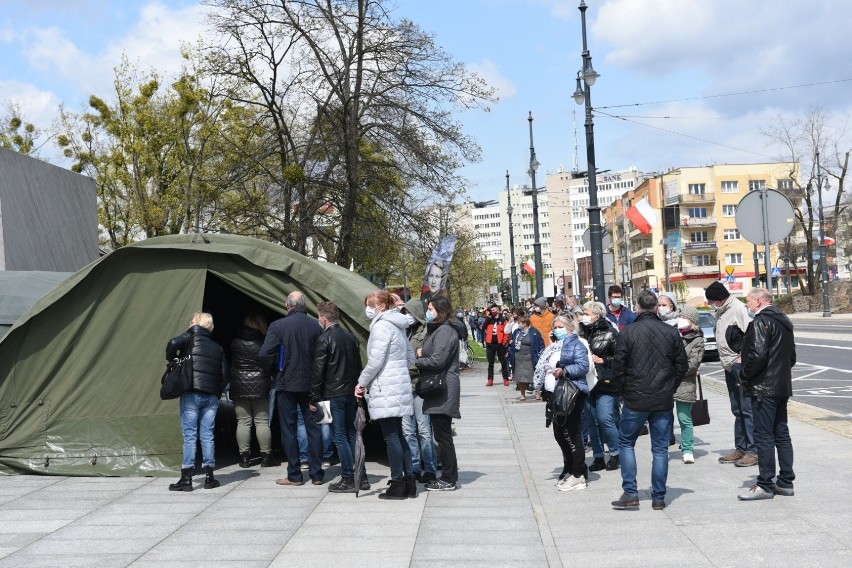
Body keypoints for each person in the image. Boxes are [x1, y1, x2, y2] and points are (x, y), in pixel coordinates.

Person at [610, 291, 688, 511]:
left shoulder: (628, 333)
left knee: (626, 443)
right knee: (660, 449)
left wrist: (623, 391)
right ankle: (659, 497)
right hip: (662, 399)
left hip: (635, 398)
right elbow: (682, 365)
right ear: (656, 308)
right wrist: (669, 386)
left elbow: (618, 367)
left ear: (637, 308)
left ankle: (631, 493)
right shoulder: (670, 332)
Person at [259, 291, 324, 487]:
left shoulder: (278, 326)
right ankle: (317, 474)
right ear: (305, 305)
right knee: (315, 428)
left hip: (286, 383)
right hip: (313, 384)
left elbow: (264, 354)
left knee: (289, 429)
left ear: (288, 306)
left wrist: (271, 372)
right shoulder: (317, 326)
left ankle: (294, 475)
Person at [737, 288, 796, 501]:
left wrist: (744, 375)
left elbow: (757, 355)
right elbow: (792, 357)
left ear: (760, 301)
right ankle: (786, 482)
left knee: (763, 436)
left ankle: (765, 484)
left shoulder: (761, 322)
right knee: (781, 433)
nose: (747, 305)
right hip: (781, 387)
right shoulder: (784, 321)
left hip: (763, 388)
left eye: (749, 301)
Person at [355, 290, 415, 500]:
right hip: (398, 384)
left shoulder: (381, 326)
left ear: (380, 307)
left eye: (370, 306)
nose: (368, 310)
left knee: (391, 437)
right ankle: (410, 480)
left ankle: (397, 482)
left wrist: (362, 382)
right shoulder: (398, 325)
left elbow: (375, 361)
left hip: (386, 386)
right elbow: (410, 356)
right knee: (399, 435)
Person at [167, 312, 227, 492]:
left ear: (197, 324)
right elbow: (224, 375)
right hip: (210, 396)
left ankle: (186, 478)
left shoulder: (189, 338)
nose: (190, 323)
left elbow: (172, 343)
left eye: (192, 321)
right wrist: (216, 392)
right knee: (207, 435)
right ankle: (210, 477)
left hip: (191, 393)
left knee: (190, 436)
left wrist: (171, 358)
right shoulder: (218, 347)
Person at [309, 301, 365, 494]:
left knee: (338, 436)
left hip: (331, 393)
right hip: (350, 391)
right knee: (351, 434)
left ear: (323, 318)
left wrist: (313, 397)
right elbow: (358, 366)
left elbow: (318, 371)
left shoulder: (324, 339)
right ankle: (361, 476)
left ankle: (349, 476)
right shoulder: (351, 337)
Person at [705, 281, 757, 467]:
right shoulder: (722, 311)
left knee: (746, 409)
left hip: (739, 365)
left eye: (711, 301)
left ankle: (753, 450)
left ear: (719, 299)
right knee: (737, 409)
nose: (710, 304)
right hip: (729, 365)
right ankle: (741, 447)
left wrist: (742, 358)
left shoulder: (738, 309)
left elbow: (751, 334)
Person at [416, 296, 463, 491]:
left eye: (430, 308)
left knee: (443, 436)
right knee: (442, 435)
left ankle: (449, 478)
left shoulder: (444, 330)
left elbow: (438, 360)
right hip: (440, 387)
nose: (428, 311)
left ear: (439, 310)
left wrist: (418, 359)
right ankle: (448, 476)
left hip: (444, 388)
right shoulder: (441, 329)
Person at [549, 313, 591, 491]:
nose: (557, 330)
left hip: (572, 392)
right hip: (558, 392)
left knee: (571, 433)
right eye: (555, 327)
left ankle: (578, 473)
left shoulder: (577, 344)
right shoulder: (558, 344)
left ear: (570, 327)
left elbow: (583, 366)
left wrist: (564, 370)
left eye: (560, 327)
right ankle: (570, 467)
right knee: (559, 432)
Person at [579, 301, 622, 472]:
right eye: (584, 313)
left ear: (597, 315)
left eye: (587, 313)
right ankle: (598, 457)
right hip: (587, 383)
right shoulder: (581, 333)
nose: (584, 316)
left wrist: (603, 360)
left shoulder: (610, 333)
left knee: (605, 418)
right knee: (591, 421)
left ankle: (615, 453)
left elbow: (620, 358)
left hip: (606, 382)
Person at [228, 313, 274, 469]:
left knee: (243, 422)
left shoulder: (235, 342)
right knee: (262, 422)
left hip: (240, 384)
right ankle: (266, 456)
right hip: (261, 384)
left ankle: (245, 457)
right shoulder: (265, 341)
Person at [401, 298, 439, 485]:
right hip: (404, 385)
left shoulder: (426, 331)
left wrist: (411, 365)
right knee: (408, 431)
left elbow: (426, 357)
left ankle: (430, 468)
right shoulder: (402, 330)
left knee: (424, 430)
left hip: (420, 384)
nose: (406, 316)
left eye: (409, 312)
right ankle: (414, 467)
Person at [673, 305, 705, 465]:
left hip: (685, 384)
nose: (680, 320)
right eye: (680, 317)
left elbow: (693, 363)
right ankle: (660, 448)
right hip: (668, 383)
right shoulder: (673, 335)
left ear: (692, 322)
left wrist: (674, 369)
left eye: (684, 317)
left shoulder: (698, 340)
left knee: (684, 418)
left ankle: (687, 449)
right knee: (663, 419)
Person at [509, 315, 545, 401]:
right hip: (519, 357)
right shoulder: (517, 332)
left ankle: (537, 393)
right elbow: (512, 340)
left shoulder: (534, 332)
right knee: (521, 376)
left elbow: (540, 344)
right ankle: (522, 394)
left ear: (525, 323)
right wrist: (511, 342)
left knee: (534, 376)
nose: (518, 325)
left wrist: (540, 355)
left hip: (530, 357)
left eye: (520, 323)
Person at [483, 305, 510, 387]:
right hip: (490, 344)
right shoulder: (489, 319)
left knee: (503, 362)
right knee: (490, 363)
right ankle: (490, 379)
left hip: (500, 344)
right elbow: (483, 327)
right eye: (491, 310)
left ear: (498, 311)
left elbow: (506, 332)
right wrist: (487, 318)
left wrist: (504, 342)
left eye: (494, 310)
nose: (492, 311)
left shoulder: (503, 320)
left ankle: (505, 379)